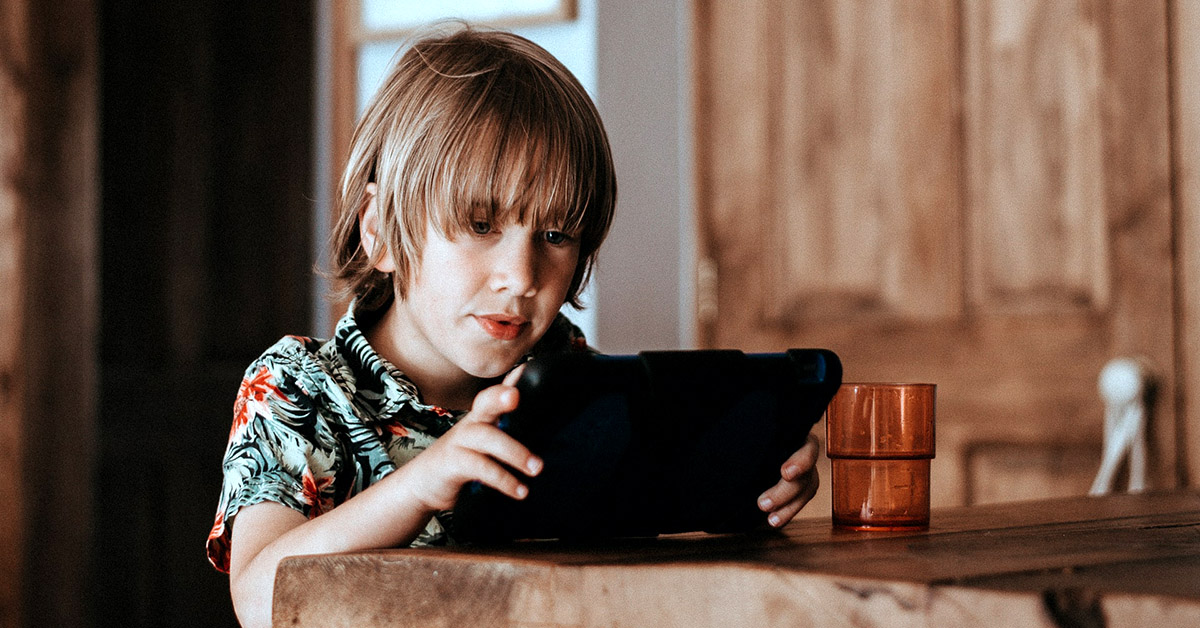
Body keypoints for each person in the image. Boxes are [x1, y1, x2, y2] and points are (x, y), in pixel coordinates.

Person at [206, 24, 820, 628]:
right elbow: (260, 599)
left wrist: (744, 488)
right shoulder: (295, 387)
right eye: (480, 226)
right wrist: (424, 482)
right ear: (381, 231)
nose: (521, 276)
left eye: (555, 236)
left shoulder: (567, 379)